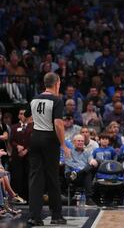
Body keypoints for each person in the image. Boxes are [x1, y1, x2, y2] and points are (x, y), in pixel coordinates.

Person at [25, 72, 70, 226]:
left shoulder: (34, 98)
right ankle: (56, 215)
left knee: (35, 178)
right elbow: (58, 123)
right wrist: (63, 145)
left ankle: (33, 216)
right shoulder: (56, 100)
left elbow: (26, 117)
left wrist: (37, 121)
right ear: (57, 83)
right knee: (52, 177)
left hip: (35, 138)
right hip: (49, 140)